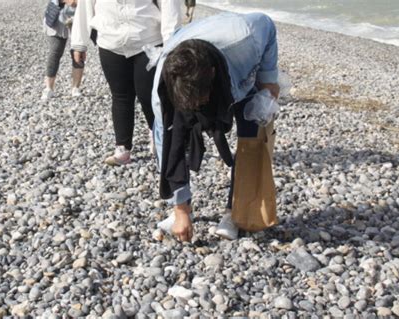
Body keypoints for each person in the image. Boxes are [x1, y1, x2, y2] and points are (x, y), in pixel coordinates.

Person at [150, 12, 280, 242]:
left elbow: (267, 24)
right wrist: (180, 209)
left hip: (239, 71)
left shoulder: (246, 38)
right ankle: (181, 212)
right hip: (190, 71)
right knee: (176, 135)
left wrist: (268, 80)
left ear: (211, 75)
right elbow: (167, 145)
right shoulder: (164, 85)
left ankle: (235, 212)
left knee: (252, 138)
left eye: (201, 102)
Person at [70, 0, 183, 165]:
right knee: (120, 95)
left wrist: (171, 42)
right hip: (110, 40)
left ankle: (160, 138)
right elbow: (85, 5)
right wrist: (79, 44)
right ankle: (122, 148)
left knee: (150, 95)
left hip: (148, 38)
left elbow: (169, 4)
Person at [41, 0, 85, 101]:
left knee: (79, 50)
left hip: (79, 17)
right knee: (55, 52)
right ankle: (48, 88)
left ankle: (76, 88)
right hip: (58, 18)